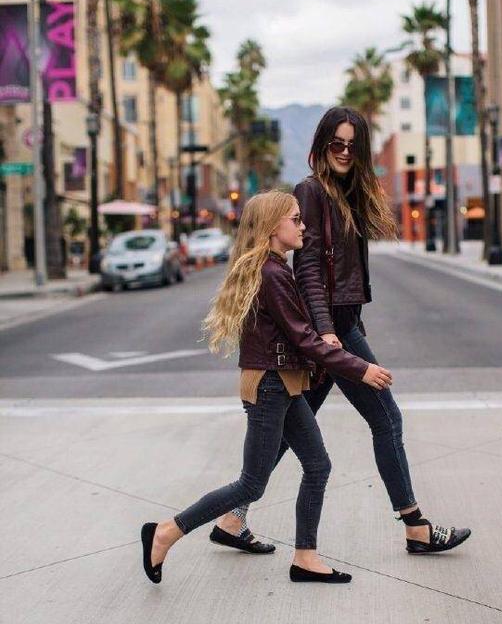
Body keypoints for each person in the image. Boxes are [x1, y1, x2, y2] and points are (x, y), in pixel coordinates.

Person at [214, 107, 471, 555]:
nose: (345, 152)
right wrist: (328, 332)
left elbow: (341, 271)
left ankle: (232, 518)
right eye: (337, 143)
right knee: (386, 418)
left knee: (290, 430)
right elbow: (309, 268)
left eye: (354, 145)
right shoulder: (311, 192)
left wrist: (344, 323)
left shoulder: (348, 193)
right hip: (330, 330)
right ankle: (416, 527)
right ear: (322, 145)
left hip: (341, 324)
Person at [141, 190, 393, 585]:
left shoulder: (275, 269)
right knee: (252, 483)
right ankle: (167, 531)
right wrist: (359, 368)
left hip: (283, 383)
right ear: (274, 226)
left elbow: (300, 336)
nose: (303, 226)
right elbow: (303, 338)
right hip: (270, 386)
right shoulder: (272, 274)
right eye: (296, 219)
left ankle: (305, 557)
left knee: (317, 466)